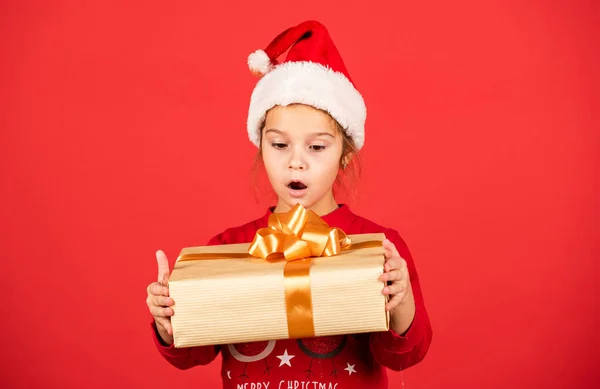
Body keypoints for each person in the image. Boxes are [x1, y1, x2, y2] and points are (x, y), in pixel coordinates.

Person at [146, 20, 432, 389]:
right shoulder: (227, 248)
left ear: (345, 155)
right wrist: (168, 322)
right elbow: (192, 353)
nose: (296, 162)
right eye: (280, 145)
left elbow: (405, 354)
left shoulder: (379, 246)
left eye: (316, 147)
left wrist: (401, 300)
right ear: (261, 147)